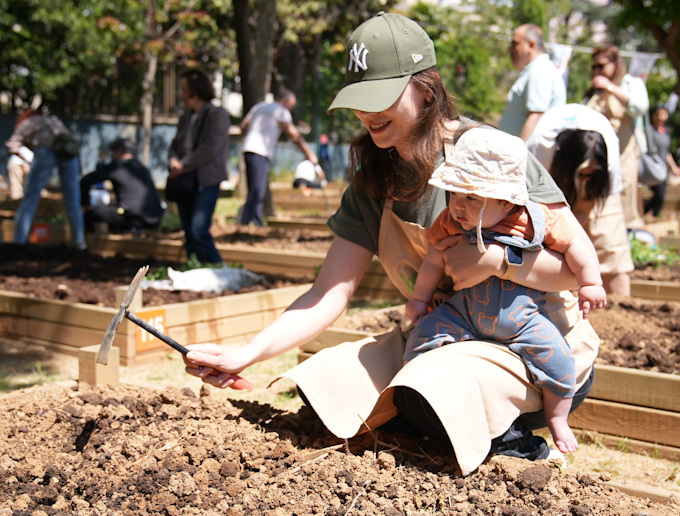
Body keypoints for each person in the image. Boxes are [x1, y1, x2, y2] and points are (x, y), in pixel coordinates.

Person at [183, 12, 599, 476]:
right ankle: (440, 421)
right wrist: (247, 352)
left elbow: (572, 268)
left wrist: (498, 260)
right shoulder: (373, 177)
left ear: (427, 88)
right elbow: (328, 294)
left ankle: (523, 453)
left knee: (425, 390)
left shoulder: (490, 156)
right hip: (451, 334)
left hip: (535, 345)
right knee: (327, 384)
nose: (367, 114)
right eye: (360, 100)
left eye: (381, 97)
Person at [404, 127, 605, 454]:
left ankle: (557, 418)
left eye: (471, 197)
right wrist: (419, 299)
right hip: (465, 314)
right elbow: (433, 261)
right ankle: (414, 389)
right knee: (422, 334)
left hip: (524, 319)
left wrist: (591, 282)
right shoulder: (451, 222)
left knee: (558, 358)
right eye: (454, 194)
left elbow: (576, 247)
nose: (458, 205)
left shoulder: (535, 221)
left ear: (505, 199)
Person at [529, 103, 634, 297]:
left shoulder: (608, 160)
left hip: (598, 181)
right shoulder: (540, 147)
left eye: (590, 174)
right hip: (550, 181)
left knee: (611, 245)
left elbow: (587, 210)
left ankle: (621, 302)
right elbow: (535, 201)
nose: (585, 180)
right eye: (582, 174)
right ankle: (557, 298)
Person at [167, 68, 230, 264]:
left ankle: (218, 270)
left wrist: (182, 164)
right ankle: (194, 268)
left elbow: (210, 148)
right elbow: (175, 145)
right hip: (185, 180)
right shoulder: (186, 117)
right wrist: (172, 160)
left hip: (205, 179)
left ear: (194, 90)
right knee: (188, 231)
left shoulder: (217, 115)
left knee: (198, 229)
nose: (180, 94)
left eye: (183, 89)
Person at [584, 45, 649, 230]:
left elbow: (639, 108)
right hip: (598, 155)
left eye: (601, 66)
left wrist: (610, 88)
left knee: (625, 193)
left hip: (625, 152)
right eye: (594, 67)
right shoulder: (595, 92)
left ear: (615, 63)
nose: (597, 71)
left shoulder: (631, 84)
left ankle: (630, 236)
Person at [4, 108, 85, 248]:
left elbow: (12, 144)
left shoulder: (28, 122)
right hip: (69, 154)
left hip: (46, 151)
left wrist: (26, 157)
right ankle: (79, 241)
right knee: (73, 200)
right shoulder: (54, 120)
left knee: (30, 197)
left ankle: (19, 241)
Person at [238, 90, 319, 225]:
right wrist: (309, 153)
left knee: (256, 187)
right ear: (285, 101)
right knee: (257, 189)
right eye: (291, 106)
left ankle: (254, 221)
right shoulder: (281, 111)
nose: (290, 109)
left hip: (248, 149)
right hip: (260, 151)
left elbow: (243, 127)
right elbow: (293, 134)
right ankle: (247, 222)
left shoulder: (259, 107)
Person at [498, 24, 566, 142]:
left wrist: (519, 155)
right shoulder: (536, 69)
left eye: (515, 44)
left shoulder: (539, 70)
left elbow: (536, 116)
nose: (510, 49)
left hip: (523, 155)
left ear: (531, 45)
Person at [79, 138, 165, 232]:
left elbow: (86, 181)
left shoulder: (117, 166)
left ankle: (90, 243)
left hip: (133, 218)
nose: (111, 156)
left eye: (112, 152)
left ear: (119, 151)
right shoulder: (142, 167)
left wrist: (85, 204)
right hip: (155, 219)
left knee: (90, 214)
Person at [643, 106, 680, 218]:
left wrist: (674, 168)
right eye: (658, 114)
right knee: (658, 194)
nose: (660, 117)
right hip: (651, 167)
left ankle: (655, 215)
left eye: (663, 114)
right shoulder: (648, 131)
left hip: (663, 168)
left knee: (661, 195)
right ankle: (645, 213)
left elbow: (667, 153)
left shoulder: (666, 132)